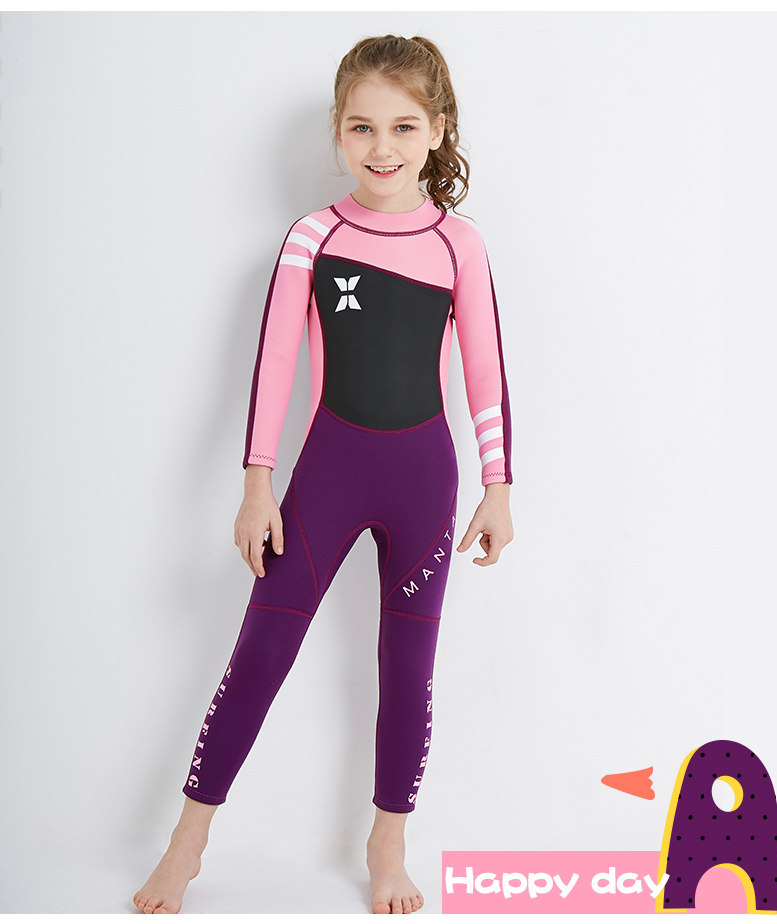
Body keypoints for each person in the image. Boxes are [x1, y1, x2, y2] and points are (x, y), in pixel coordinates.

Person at [133, 33, 514, 915]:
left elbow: (487, 370)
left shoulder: (458, 245)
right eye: (362, 127)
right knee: (261, 652)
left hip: (425, 483)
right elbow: (273, 366)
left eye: (403, 126)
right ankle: (187, 844)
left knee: (407, 670)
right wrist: (255, 484)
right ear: (339, 134)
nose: (382, 148)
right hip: (327, 478)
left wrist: (499, 485)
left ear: (437, 131)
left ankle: (388, 844)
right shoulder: (315, 235)